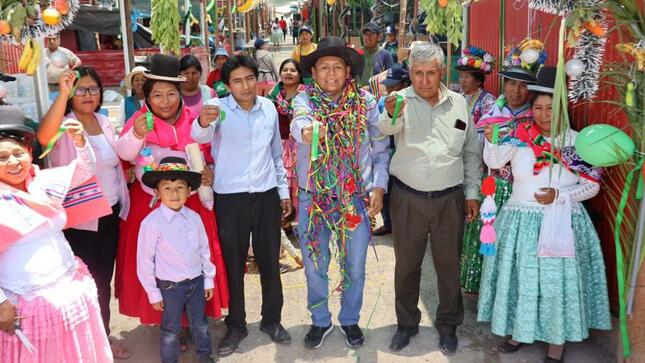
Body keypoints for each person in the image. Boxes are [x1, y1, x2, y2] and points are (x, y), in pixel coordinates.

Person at [477, 66, 611, 363]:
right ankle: (518, 331)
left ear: (562, 108)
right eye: (537, 107)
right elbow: (494, 160)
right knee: (521, 280)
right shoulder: (520, 135)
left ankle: (555, 342)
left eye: (550, 108)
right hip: (520, 219)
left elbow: (591, 186)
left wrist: (560, 196)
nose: (543, 114)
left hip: (560, 222)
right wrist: (492, 137)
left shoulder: (577, 143)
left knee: (553, 284)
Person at [378, 42, 481, 355]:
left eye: (430, 73)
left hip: (449, 199)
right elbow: (384, 129)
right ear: (410, 74)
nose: (424, 80)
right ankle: (407, 324)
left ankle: (448, 324)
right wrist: (392, 111)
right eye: (418, 74)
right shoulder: (399, 101)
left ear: (441, 73)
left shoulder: (460, 104)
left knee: (448, 266)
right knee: (407, 266)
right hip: (408, 198)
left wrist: (472, 193)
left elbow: (471, 151)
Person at [114, 54, 229, 329]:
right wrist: (137, 135)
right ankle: (166, 321)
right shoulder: (139, 120)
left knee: (194, 257)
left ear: (180, 94)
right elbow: (126, 153)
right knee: (157, 261)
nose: (164, 101)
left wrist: (209, 169)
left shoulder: (193, 119)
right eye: (157, 95)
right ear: (147, 97)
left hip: (191, 202)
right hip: (151, 204)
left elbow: (205, 151)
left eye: (170, 94)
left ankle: (193, 320)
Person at [291, 36, 390, 349]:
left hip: (353, 199)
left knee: (355, 267)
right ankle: (320, 321)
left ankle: (350, 319)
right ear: (314, 72)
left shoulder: (366, 103)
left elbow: (380, 148)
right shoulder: (305, 101)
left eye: (337, 67)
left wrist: (379, 186)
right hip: (313, 198)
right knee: (315, 266)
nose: (330, 73)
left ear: (348, 70)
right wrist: (307, 131)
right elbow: (299, 123)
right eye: (324, 67)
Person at [191, 55, 292, 356]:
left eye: (249, 78)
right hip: (230, 198)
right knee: (233, 264)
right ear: (227, 85)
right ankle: (236, 325)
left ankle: (272, 320)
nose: (245, 86)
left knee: (269, 262)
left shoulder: (269, 109)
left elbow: (275, 155)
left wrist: (283, 192)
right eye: (237, 80)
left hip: (265, 195)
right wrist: (202, 121)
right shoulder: (218, 109)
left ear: (257, 79)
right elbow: (199, 135)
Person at [0, 117, 113, 362]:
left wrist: (81, 143)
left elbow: (84, 169)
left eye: (18, 153)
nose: (13, 163)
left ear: (30, 153)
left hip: (68, 288)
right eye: (2, 157)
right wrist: (1, 303)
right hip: (26, 305)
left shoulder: (42, 183)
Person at [38, 66, 132, 359]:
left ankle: (101, 334)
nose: (88, 95)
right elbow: (43, 137)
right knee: (88, 282)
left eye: (93, 89)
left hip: (111, 212)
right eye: (80, 90)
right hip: (81, 219)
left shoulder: (104, 122)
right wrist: (63, 92)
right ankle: (95, 341)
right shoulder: (66, 123)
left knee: (104, 279)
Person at [137, 157, 216, 363]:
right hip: (170, 287)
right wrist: (153, 293)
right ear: (157, 192)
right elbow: (145, 261)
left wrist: (208, 279)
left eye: (180, 187)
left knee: (199, 323)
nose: (174, 193)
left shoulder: (194, 218)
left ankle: (205, 355)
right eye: (167, 188)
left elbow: (204, 250)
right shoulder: (151, 223)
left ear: (189, 191)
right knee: (171, 329)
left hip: (196, 282)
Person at [453, 46, 498, 293]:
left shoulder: (487, 101)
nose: (462, 80)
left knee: (473, 217)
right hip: (456, 164)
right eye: (460, 75)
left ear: (479, 79)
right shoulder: (460, 98)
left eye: (467, 76)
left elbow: (481, 136)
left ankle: (473, 273)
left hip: (476, 166)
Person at [267, 59, 306, 268]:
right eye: (285, 70)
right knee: (281, 185)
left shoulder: (306, 95)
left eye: (293, 70)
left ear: (299, 74)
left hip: (300, 147)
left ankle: (298, 226)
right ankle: (283, 226)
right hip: (279, 147)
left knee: (298, 186)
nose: (289, 73)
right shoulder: (272, 96)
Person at [373, 63, 410, 237]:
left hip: (406, 152)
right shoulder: (382, 101)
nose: (388, 89)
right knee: (386, 188)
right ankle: (388, 223)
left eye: (393, 85)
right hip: (389, 150)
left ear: (405, 84)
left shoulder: (413, 101)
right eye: (387, 85)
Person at [359, 22, 394, 87]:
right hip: (359, 93)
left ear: (378, 36)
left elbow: (391, 78)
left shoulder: (385, 55)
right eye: (365, 34)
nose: (368, 37)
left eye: (372, 34)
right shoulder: (358, 54)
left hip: (377, 94)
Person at [117, 66, 148, 132]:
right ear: (132, 84)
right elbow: (118, 126)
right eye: (136, 80)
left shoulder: (153, 102)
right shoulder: (125, 102)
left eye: (143, 80)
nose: (140, 83)